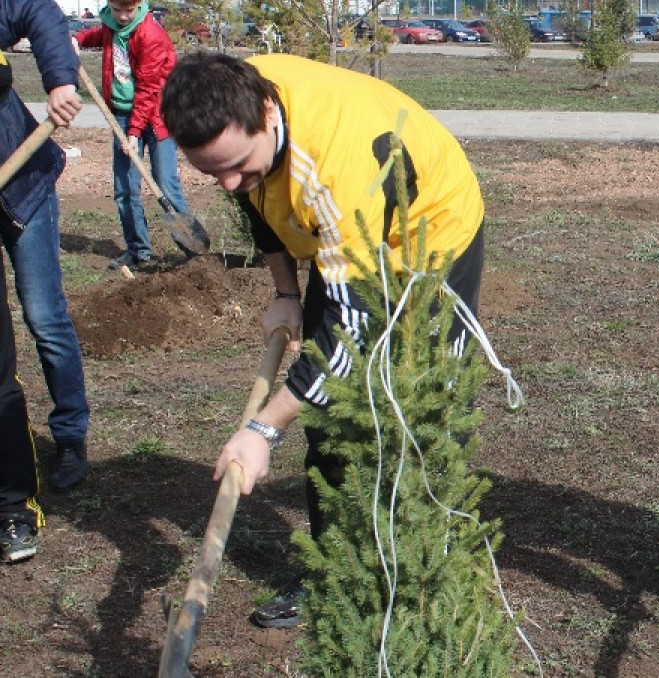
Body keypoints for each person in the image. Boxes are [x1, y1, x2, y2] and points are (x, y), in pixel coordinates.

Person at [161, 52, 486, 629]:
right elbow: (260, 202)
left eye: (235, 165)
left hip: (429, 234)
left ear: (266, 113)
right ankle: (334, 569)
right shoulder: (234, 100)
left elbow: (348, 332)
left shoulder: (334, 166)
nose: (229, 183)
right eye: (213, 174)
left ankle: (425, 580)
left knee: (424, 409)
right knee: (331, 416)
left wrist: (263, 428)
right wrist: (286, 291)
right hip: (344, 236)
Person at [0, 0, 86, 560]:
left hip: (21, 182)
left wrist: (58, 80)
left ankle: (71, 435)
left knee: (43, 315)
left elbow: (38, 11)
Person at [75, 0, 189, 270]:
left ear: (139, 5)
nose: (123, 17)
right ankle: (139, 250)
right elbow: (98, 35)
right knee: (125, 188)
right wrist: (77, 39)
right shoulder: (111, 25)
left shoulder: (151, 35)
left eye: (129, 11)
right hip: (123, 116)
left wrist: (134, 133)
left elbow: (149, 89)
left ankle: (190, 252)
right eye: (117, 11)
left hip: (157, 115)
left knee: (165, 183)